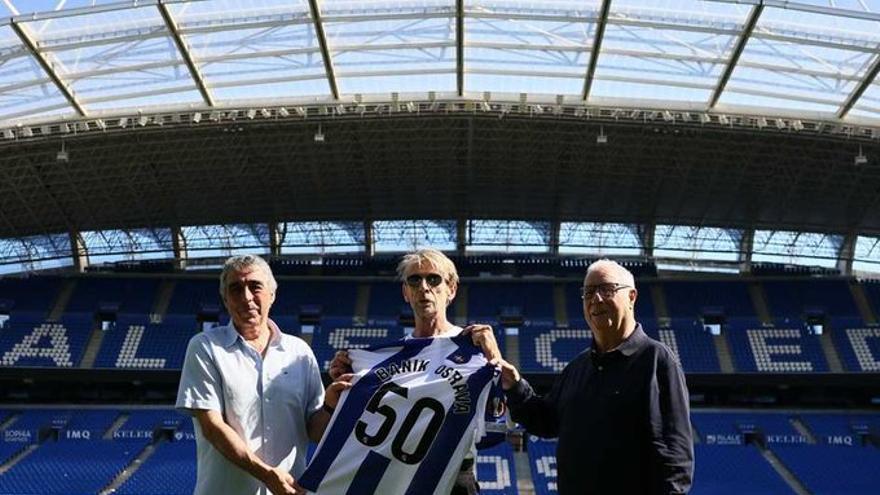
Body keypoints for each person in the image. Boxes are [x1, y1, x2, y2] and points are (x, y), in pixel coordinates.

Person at [489, 259, 694, 494]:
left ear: (631, 297)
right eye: (588, 292)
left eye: (607, 289)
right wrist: (515, 386)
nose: (596, 299)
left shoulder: (657, 361)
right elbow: (547, 422)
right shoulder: (578, 367)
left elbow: (675, 456)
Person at [327, 248, 501, 495]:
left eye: (433, 279)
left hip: (454, 481)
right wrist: (350, 383)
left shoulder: (475, 348)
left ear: (451, 289)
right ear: (406, 293)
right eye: (414, 280)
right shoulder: (385, 362)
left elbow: (496, 424)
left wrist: (495, 360)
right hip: (396, 480)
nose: (424, 287)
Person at [177, 254, 349, 495]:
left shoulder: (299, 352)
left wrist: (331, 404)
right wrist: (267, 475)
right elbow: (212, 428)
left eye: (254, 286)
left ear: (272, 294)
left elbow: (314, 431)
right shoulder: (205, 347)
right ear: (225, 299)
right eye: (235, 289)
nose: (246, 297)